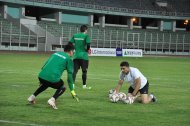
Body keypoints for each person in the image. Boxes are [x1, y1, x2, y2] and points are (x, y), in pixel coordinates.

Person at [27, 44, 79, 109]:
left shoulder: (55, 54)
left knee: (46, 84)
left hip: (41, 76)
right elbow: (70, 76)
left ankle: (32, 97)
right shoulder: (69, 59)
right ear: (71, 51)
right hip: (52, 79)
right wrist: (72, 91)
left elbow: (45, 65)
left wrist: (42, 79)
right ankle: (52, 100)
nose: (74, 53)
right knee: (63, 87)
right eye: (74, 51)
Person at [69, 25, 91, 89]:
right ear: (86, 30)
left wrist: (73, 49)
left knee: (74, 71)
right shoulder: (86, 36)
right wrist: (87, 49)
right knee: (84, 71)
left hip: (76, 56)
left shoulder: (75, 35)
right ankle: (84, 86)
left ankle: (72, 85)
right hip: (84, 56)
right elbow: (88, 44)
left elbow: (70, 43)